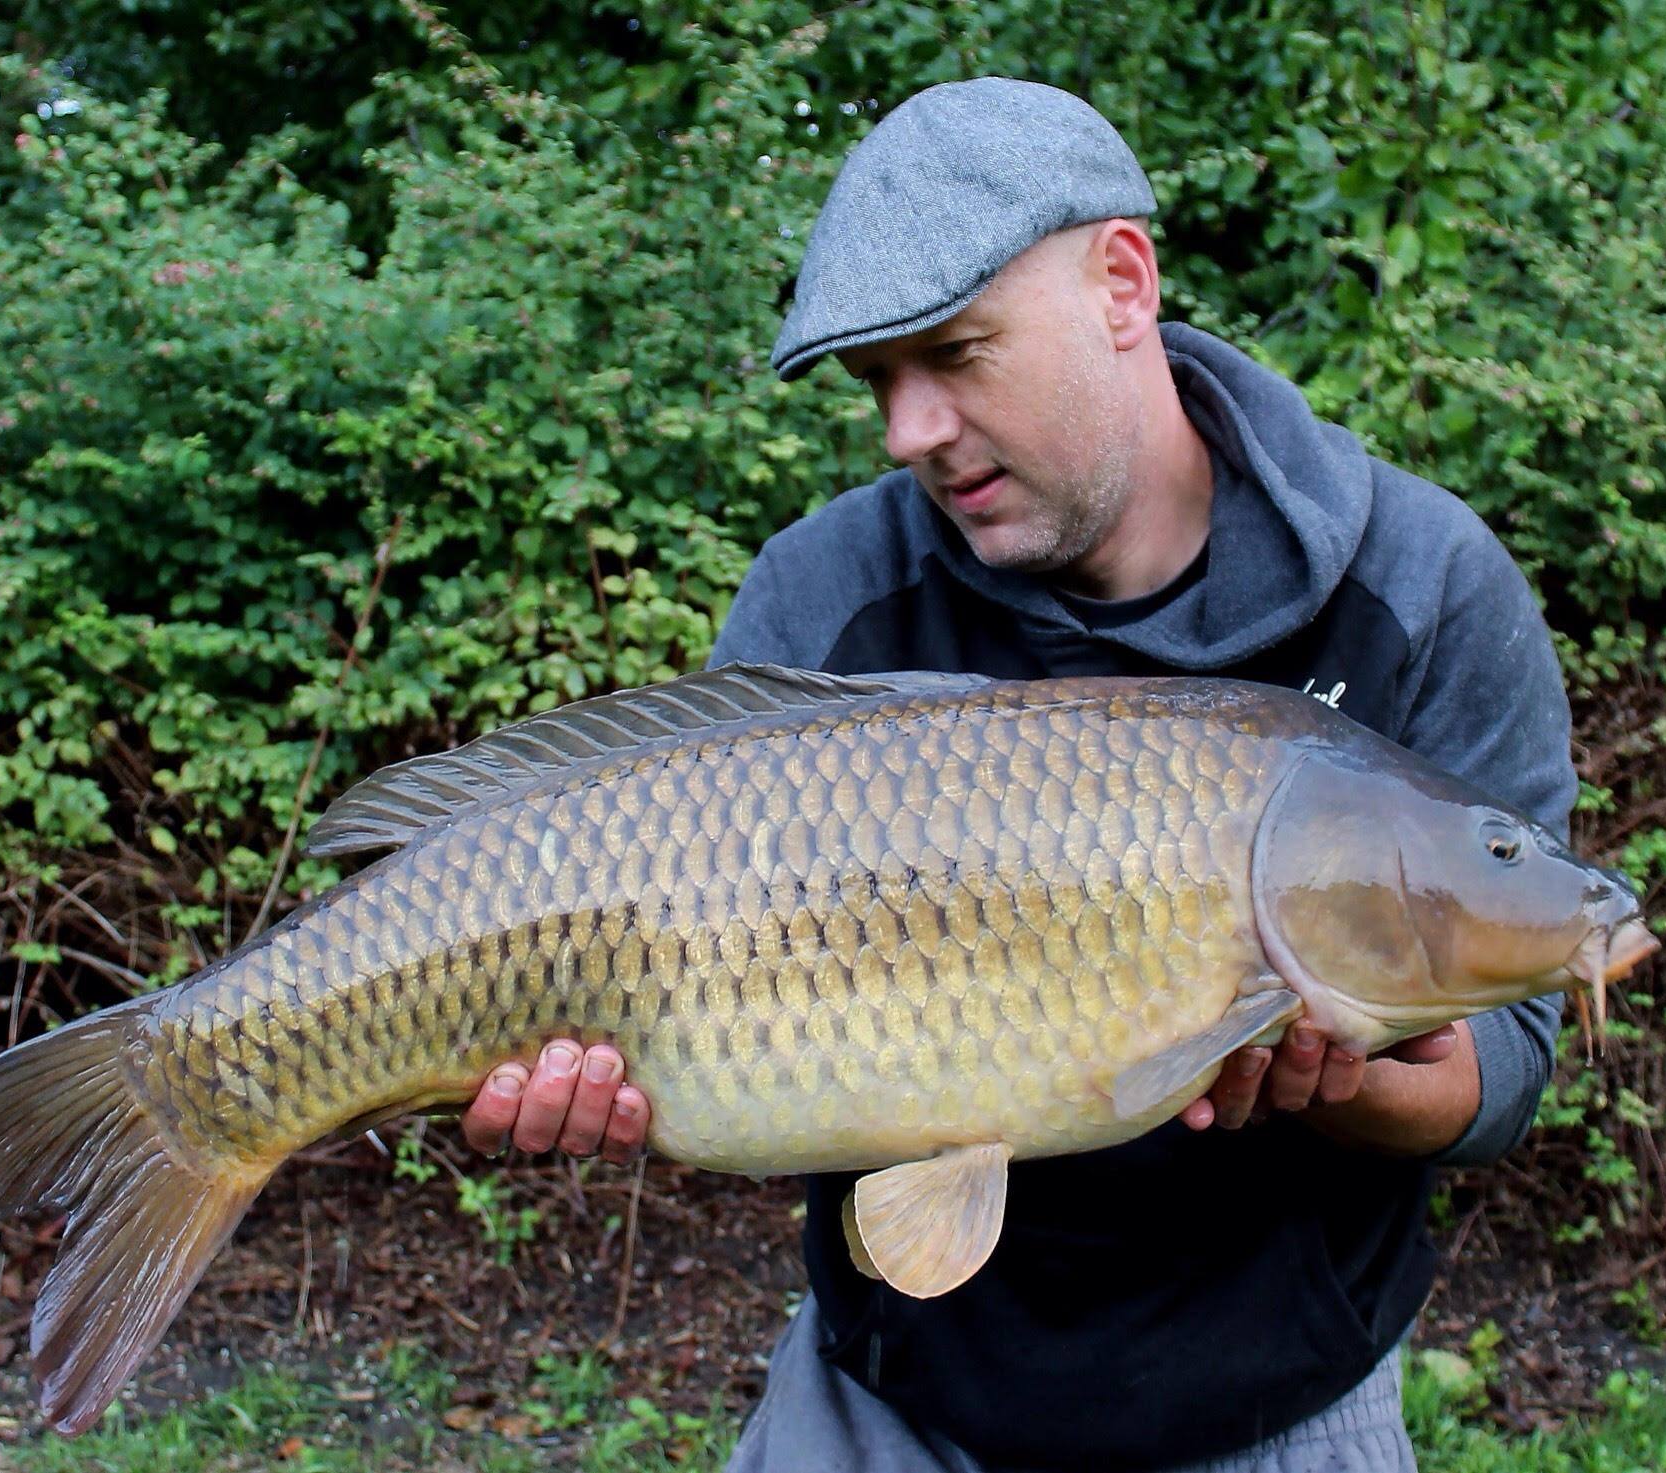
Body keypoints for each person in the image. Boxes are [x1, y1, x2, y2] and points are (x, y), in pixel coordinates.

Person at [459, 78, 1576, 1473]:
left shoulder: (1421, 586)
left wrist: (1334, 1074)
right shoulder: (827, 596)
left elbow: (1508, 1063)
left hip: (1281, 1396)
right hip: (896, 1393)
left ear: (1123, 284)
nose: (907, 431)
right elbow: (677, 989)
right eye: (879, 382)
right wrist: (572, 1062)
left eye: (955, 354)